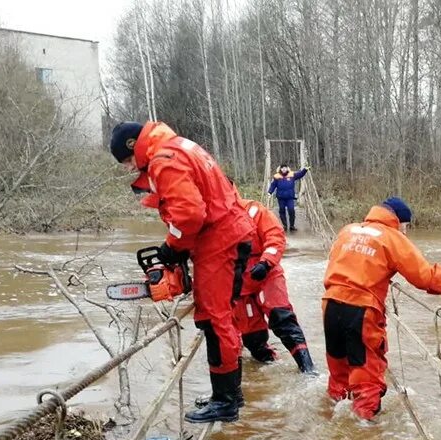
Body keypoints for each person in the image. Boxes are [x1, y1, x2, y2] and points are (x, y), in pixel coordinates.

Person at [110, 120, 254, 424]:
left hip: (219, 241)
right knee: (220, 318)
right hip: (226, 234)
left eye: (126, 161)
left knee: (216, 321)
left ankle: (226, 401)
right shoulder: (179, 146)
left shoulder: (164, 160)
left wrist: (172, 248)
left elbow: (189, 214)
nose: (129, 168)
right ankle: (229, 394)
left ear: (131, 147)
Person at [322, 197, 441, 420]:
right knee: (367, 379)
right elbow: (425, 276)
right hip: (361, 311)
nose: (406, 233)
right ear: (398, 221)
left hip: (330, 305)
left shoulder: (348, 231)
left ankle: (331, 420)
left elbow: (340, 264)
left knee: (339, 373)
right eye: (406, 227)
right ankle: (364, 438)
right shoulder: (392, 238)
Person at [234, 196, 316, 373]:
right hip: (239, 282)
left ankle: (308, 370)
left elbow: (275, 236)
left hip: (266, 272)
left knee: (282, 318)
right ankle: (269, 366)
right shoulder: (212, 217)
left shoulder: (255, 210)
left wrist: (266, 262)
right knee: (252, 337)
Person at [267, 163, 308, 232]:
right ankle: (285, 225)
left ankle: (292, 226)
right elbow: (273, 185)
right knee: (282, 210)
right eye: (282, 168)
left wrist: (305, 170)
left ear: (287, 168)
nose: (284, 169)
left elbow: (300, 174)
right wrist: (270, 192)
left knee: (291, 210)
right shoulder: (277, 177)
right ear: (280, 169)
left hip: (290, 197)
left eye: (285, 168)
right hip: (281, 197)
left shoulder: (292, 175)